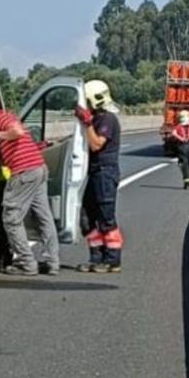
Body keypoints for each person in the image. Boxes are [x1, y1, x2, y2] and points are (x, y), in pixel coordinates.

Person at [0, 108, 59, 277]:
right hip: (38, 167)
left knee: (11, 218)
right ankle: (52, 262)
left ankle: (26, 263)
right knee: (43, 216)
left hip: (24, 171)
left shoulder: (1, 118)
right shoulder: (8, 117)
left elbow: (16, 131)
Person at [74, 80, 123, 274]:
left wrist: (86, 123)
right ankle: (96, 257)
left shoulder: (107, 119)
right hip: (95, 172)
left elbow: (95, 144)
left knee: (106, 218)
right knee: (86, 217)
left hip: (105, 172)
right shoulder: (97, 118)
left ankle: (112, 259)